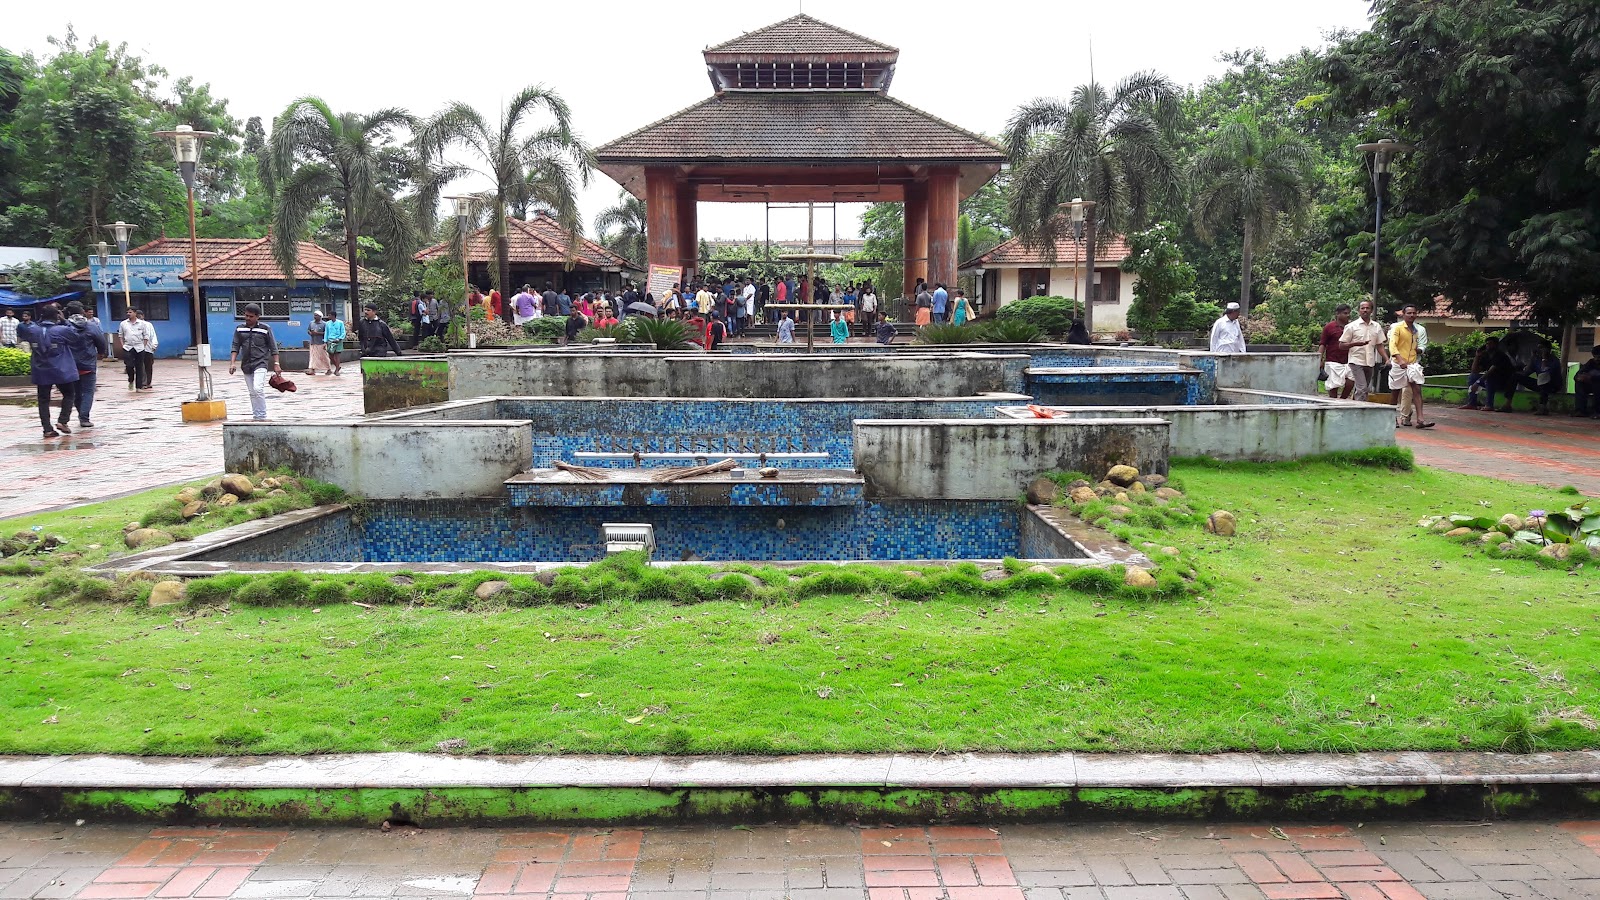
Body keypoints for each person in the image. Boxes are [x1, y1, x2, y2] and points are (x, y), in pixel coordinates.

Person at [18, 306, 80, 439]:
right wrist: (65, 321)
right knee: (69, 394)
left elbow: (25, 335)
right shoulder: (62, 330)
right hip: (60, 368)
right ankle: (63, 421)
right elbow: (75, 336)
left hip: (41, 369)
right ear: (57, 316)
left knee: (43, 399)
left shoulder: (32, 330)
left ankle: (47, 429)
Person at [229, 303, 282, 421]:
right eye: (246, 315)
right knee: (252, 392)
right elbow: (235, 346)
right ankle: (256, 416)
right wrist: (232, 363)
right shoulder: (239, 329)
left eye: (251, 316)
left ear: (257, 317)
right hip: (246, 365)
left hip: (261, 363)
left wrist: (276, 364)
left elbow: (273, 347)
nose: (248, 318)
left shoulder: (265, 329)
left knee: (258, 388)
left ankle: (262, 415)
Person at [61, 301, 106, 429]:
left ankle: (81, 414)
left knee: (75, 392)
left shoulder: (64, 326)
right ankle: (84, 418)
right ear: (82, 312)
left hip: (70, 365)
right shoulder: (91, 326)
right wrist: (101, 354)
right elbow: (101, 342)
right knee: (87, 392)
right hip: (88, 364)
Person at [1387, 304, 1433, 428]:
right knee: (1395, 392)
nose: (1412, 315)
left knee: (1417, 390)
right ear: (1403, 314)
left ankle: (1420, 419)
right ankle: (1392, 418)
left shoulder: (1417, 330)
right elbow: (1392, 345)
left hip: (1412, 364)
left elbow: (1419, 347)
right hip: (1398, 364)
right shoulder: (1397, 328)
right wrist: (1400, 359)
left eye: (1414, 313)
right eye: (1409, 313)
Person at [1339, 299, 1388, 401]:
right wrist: (1355, 344)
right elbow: (1341, 345)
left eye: (1367, 308)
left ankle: (1354, 407)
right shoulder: (1351, 326)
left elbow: (1379, 345)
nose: (1365, 310)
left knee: (1363, 388)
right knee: (1362, 388)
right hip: (1356, 361)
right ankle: (1360, 411)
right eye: (1363, 308)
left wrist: (1386, 359)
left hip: (1370, 361)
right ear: (1359, 310)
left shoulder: (1376, 326)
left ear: (1372, 311)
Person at [1476, 335, 1520, 412]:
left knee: (1489, 377)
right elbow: (1475, 370)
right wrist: (1477, 357)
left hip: (1503, 382)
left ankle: (1489, 405)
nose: (1488, 346)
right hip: (1492, 382)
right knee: (1473, 376)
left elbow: (1490, 371)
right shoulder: (1486, 356)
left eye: (1490, 344)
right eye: (1486, 344)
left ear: (1496, 345)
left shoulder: (1500, 356)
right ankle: (1472, 403)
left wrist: (1478, 382)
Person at [119, 306, 157, 391]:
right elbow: (120, 335)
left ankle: (139, 387)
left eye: (130, 312)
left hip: (139, 348)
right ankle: (131, 380)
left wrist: (144, 346)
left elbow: (146, 336)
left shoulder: (143, 324)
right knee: (129, 365)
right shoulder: (123, 324)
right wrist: (123, 345)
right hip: (128, 347)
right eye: (127, 312)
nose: (128, 314)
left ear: (135, 313)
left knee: (139, 367)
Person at [1320, 304, 1354, 399]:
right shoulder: (1329, 327)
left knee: (1350, 382)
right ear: (1337, 314)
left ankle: (1343, 400)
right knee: (1333, 385)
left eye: (1348, 313)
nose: (1348, 315)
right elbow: (1323, 344)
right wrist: (1319, 359)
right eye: (1345, 313)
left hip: (1350, 360)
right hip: (1333, 360)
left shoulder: (1352, 327)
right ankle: (1333, 403)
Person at [1524, 343, 1562, 416]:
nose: (1539, 350)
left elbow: (1545, 372)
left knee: (1543, 377)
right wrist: (1531, 360)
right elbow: (1526, 373)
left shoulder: (1554, 360)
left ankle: (1543, 407)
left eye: (1541, 348)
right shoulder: (1536, 360)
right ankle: (1508, 403)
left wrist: (1544, 359)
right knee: (1516, 376)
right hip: (1540, 384)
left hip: (1552, 384)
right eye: (1539, 348)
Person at [1572, 344, 1600, 419]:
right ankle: (1580, 410)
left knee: (1597, 384)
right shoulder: (1591, 363)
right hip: (1591, 385)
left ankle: (1597, 411)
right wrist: (1580, 378)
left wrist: (1592, 378)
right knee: (1579, 384)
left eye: (1599, 357)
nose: (1597, 359)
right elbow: (1577, 374)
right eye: (1595, 357)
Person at [307, 310, 331, 375]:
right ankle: (312, 369)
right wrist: (310, 333)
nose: (315, 316)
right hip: (313, 342)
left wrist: (317, 333)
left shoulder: (324, 324)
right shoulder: (311, 323)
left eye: (316, 315)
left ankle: (328, 369)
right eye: (314, 315)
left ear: (320, 316)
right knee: (313, 357)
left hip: (321, 343)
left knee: (324, 356)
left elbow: (326, 333)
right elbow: (308, 330)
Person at [323, 310, 346, 375]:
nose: (328, 316)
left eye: (329, 315)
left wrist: (339, 338)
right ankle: (337, 366)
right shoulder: (327, 323)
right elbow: (326, 333)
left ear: (333, 316)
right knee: (330, 355)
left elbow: (343, 332)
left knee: (337, 355)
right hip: (330, 341)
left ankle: (337, 370)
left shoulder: (340, 323)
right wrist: (325, 341)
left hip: (338, 340)